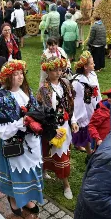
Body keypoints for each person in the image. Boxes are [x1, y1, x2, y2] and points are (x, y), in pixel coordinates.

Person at [0, 60, 43, 216]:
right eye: (15, 74)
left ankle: (26, 199)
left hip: (31, 142)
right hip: (13, 143)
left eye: (21, 73)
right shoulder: (2, 96)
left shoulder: (26, 91)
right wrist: (20, 123)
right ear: (7, 77)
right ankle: (13, 197)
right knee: (16, 173)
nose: (20, 77)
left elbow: (35, 109)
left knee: (29, 171)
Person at [37, 57, 78, 200]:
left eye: (60, 69)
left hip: (65, 125)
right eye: (55, 70)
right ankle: (66, 184)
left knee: (61, 151)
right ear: (47, 70)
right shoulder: (44, 88)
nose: (58, 72)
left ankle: (45, 171)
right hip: (52, 127)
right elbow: (44, 112)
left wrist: (73, 120)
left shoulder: (66, 83)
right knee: (55, 153)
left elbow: (71, 104)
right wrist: (54, 130)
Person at [72, 51, 102, 159]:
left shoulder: (93, 75)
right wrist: (80, 117)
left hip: (94, 105)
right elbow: (77, 102)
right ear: (85, 66)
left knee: (94, 127)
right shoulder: (77, 82)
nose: (94, 65)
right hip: (84, 108)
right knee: (85, 128)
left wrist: (100, 103)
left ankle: (89, 147)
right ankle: (89, 153)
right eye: (91, 63)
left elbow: (97, 91)